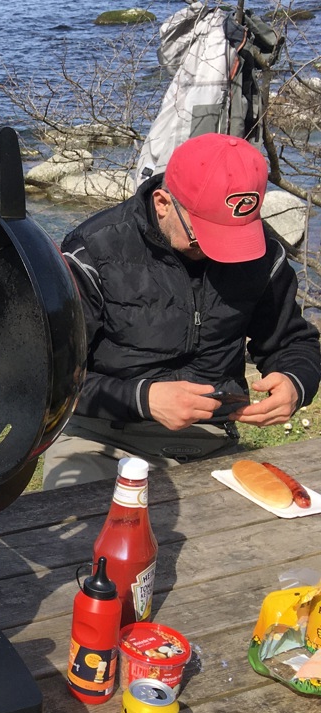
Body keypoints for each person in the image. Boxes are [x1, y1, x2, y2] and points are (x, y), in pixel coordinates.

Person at [43, 132, 321, 489]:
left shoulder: (260, 254)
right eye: (206, 235)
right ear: (162, 203)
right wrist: (142, 399)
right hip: (101, 437)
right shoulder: (94, 251)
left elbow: (293, 342)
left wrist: (295, 383)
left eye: (235, 236)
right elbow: (51, 377)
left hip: (209, 437)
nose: (221, 252)